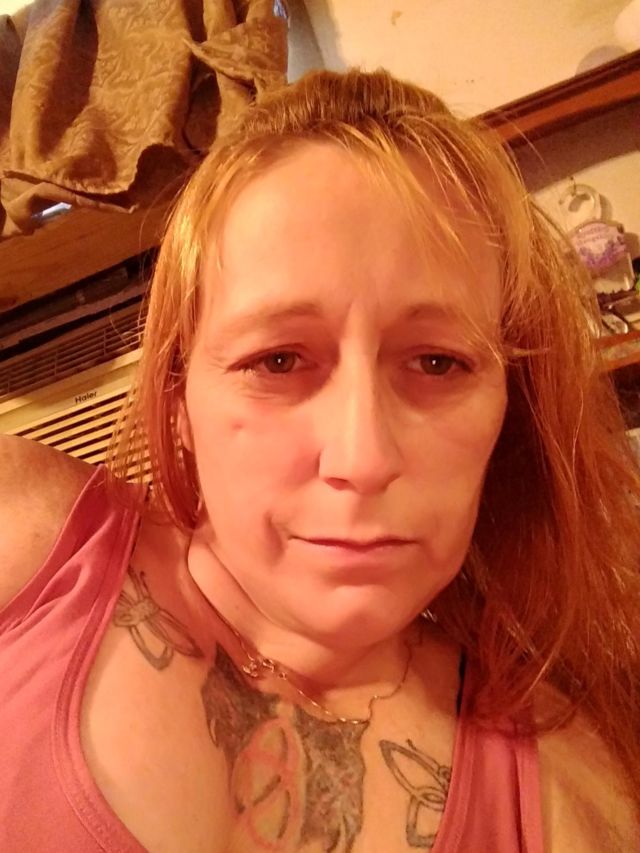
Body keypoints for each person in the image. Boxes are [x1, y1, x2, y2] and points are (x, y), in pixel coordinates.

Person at [0, 68, 638, 853]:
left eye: (438, 362)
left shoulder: (570, 797)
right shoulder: (25, 538)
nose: (362, 458)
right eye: (277, 360)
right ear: (177, 399)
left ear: (510, 409)